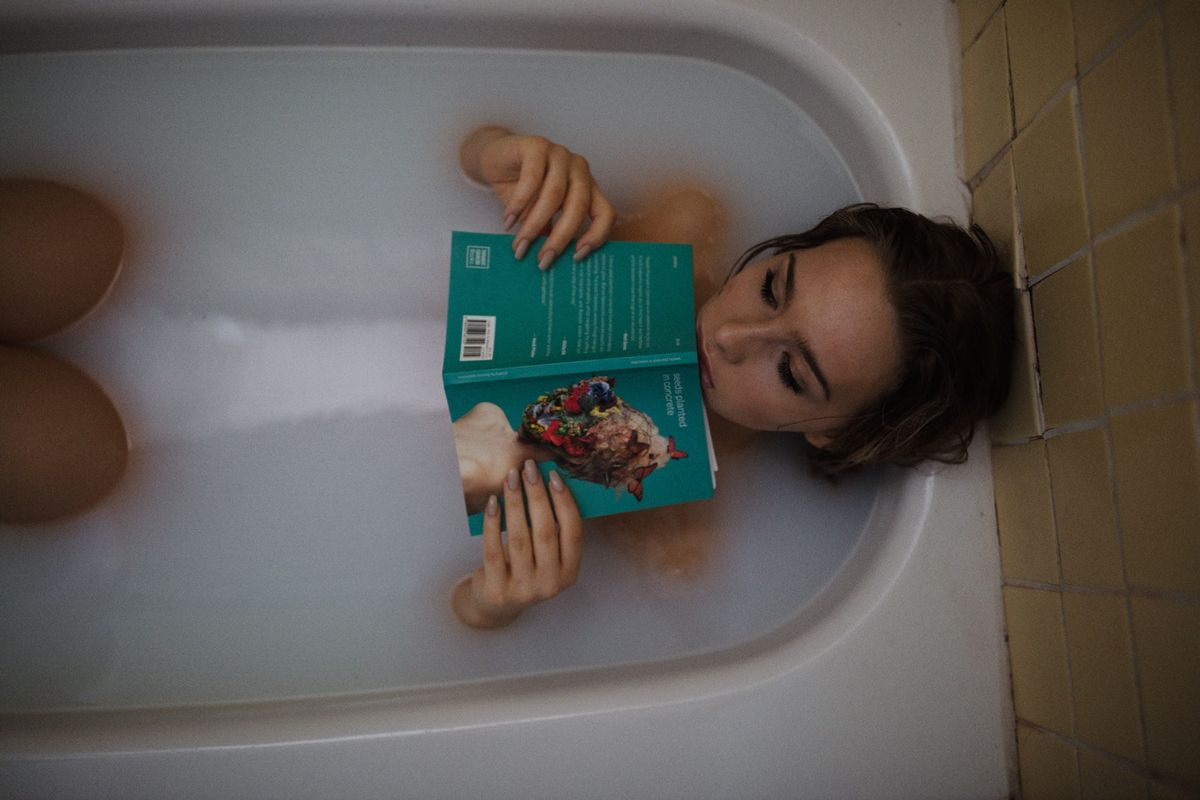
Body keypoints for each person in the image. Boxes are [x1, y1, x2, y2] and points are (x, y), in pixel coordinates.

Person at [450, 126, 1015, 628]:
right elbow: (468, 152)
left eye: (791, 372)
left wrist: (495, 603)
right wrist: (507, 159)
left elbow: (456, 614)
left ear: (833, 434)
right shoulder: (683, 222)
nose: (729, 336)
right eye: (772, 287)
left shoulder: (674, 526)